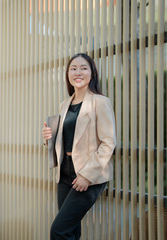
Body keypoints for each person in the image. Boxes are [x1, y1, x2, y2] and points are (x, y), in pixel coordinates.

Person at [42, 53, 116, 240]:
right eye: (73, 68)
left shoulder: (100, 102)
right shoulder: (64, 104)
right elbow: (66, 139)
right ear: (68, 74)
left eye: (84, 68)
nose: (78, 72)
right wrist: (48, 138)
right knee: (70, 231)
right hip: (65, 173)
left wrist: (86, 175)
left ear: (92, 73)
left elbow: (108, 142)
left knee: (59, 230)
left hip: (89, 175)